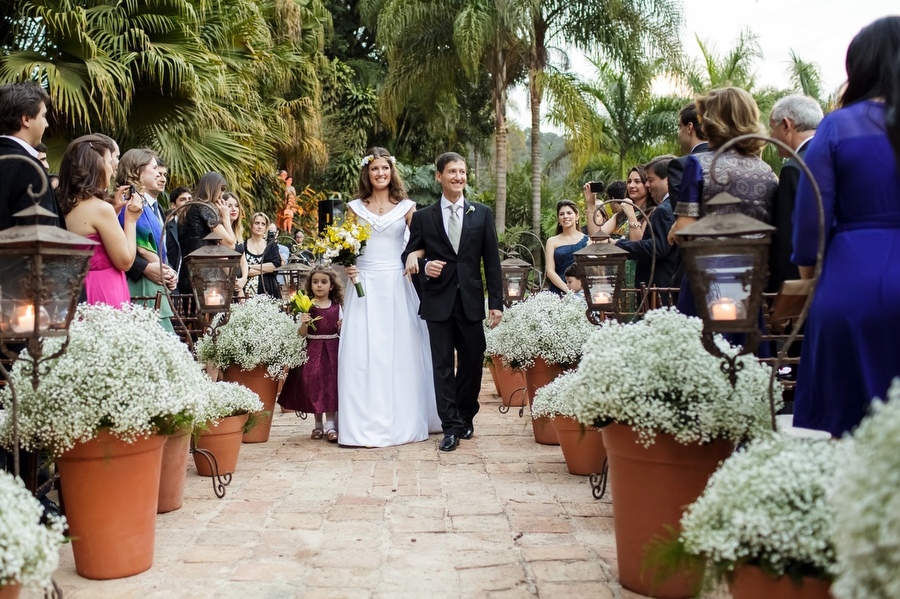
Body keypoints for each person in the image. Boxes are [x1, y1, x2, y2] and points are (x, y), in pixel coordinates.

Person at [790, 16, 900, 437]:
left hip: (853, 282)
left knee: (854, 431)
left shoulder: (838, 126)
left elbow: (811, 221)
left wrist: (811, 283)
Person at [339, 147, 442, 447]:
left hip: (397, 282)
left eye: (384, 168)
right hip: (363, 283)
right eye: (374, 169)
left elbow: (423, 243)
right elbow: (346, 243)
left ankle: (404, 422)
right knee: (362, 354)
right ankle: (360, 425)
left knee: (400, 350)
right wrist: (347, 262)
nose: (380, 173)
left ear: (391, 171)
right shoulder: (354, 208)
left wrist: (413, 256)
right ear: (367, 173)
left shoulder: (407, 207)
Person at [403, 151, 504, 452]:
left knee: (473, 361)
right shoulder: (423, 217)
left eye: (462, 172)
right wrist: (425, 265)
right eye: (452, 172)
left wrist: (495, 302)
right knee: (443, 366)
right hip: (438, 302)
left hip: (471, 300)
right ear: (439, 176)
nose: (458, 177)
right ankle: (450, 427)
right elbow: (408, 255)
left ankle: (465, 413)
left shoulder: (482, 213)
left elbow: (492, 262)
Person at [668, 87, 777, 321]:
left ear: (713, 120)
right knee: (745, 352)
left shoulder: (699, 164)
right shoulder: (766, 171)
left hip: (705, 280)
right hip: (747, 283)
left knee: (701, 351)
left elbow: (685, 230)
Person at [58, 134, 143, 307]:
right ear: (96, 166)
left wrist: (114, 210)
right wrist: (131, 220)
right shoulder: (100, 208)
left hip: (74, 289)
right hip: (102, 289)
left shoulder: (62, 205)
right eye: (109, 161)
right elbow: (125, 261)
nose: (112, 169)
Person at [278, 266, 343, 442]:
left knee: (331, 386)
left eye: (323, 282)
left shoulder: (337, 307)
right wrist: (304, 322)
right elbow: (301, 334)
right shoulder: (307, 306)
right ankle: (318, 425)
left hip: (332, 349)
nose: (319, 286)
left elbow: (341, 332)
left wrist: (342, 327)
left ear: (331, 286)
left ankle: (330, 425)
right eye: (315, 282)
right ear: (310, 285)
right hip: (312, 350)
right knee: (314, 385)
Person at [116, 148, 178, 332]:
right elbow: (141, 246)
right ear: (138, 172)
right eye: (153, 168)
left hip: (155, 280)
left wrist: (167, 272)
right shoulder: (131, 202)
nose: (158, 173)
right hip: (142, 284)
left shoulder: (145, 203)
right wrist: (166, 271)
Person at [767, 94, 824, 292]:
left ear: (786, 125)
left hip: (805, 283)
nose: (770, 137)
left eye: (772, 128)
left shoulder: (794, 168)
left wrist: (780, 294)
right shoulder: (837, 154)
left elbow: (788, 240)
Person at [0, 82, 62, 231]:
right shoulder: (28, 167)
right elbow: (40, 237)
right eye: (43, 116)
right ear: (26, 119)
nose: (46, 124)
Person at [613, 156, 678, 289]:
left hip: (660, 288)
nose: (647, 185)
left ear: (667, 179)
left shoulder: (663, 210)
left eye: (650, 180)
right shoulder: (677, 205)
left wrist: (618, 244)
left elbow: (657, 248)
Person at [175, 171, 236, 294]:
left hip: (187, 273)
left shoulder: (187, 209)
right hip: (206, 275)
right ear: (213, 189)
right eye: (222, 189)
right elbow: (230, 244)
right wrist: (225, 217)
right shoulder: (205, 208)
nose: (222, 194)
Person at [667, 102, 711, 212]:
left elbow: (681, 216)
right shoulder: (732, 160)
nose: (679, 133)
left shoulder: (680, 165)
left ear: (689, 127)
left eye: (680, 126)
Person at [544, 200, 588, 294]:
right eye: (561, 214)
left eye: (569, 213)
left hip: (583, 291)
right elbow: (550, 271)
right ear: (558, 219)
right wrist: (568, 290)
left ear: (577, 216)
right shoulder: (552, 241)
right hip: (558, 289)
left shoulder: (588, 240)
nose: (565, 216)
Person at [243, 212, 281, 298]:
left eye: (263, 224)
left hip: (269, 289)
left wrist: (249, 266)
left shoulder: (271, 246)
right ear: (251, 225)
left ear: (266, 228)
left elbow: (275, 266)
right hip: (247, 291)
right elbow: (242, 270)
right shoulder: (242, 245)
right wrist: (265, 269)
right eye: (257, 223)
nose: (260, 226)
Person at [223, 192, 248, 296]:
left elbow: (243, 260)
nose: (234, 209)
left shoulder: (237, 232)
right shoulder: (221, 230)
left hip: (239, 282)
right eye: (229, 206)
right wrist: (235, 281)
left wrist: (244, 279)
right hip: (225, 281)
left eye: (236, 206)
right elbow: (222, 259)